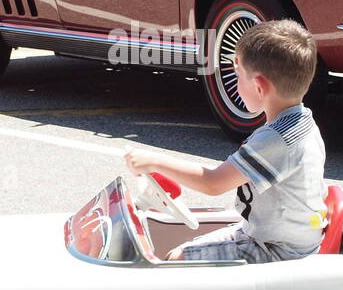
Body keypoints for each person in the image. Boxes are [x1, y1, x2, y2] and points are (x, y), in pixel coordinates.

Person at [124, 20, 327, 264]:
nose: (235, 83)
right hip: (273, 237)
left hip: (276, 251)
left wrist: (155, 161)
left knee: (176, 259)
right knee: (183, 246)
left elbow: (213, 183)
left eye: (238, 74)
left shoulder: (277, 139)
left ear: (259, 86)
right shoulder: (301, 121)